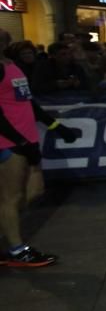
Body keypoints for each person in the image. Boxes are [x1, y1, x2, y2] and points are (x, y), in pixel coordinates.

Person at [0, 30, 80, 266]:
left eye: (5, 38)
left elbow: (28, 102)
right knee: (11, 198)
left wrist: (56, 126)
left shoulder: (11, 64)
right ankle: (17, 250)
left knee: (33, 192)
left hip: (26, 138)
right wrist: (21, 142)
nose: (3, 41)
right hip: (9, 141)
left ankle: (9, 233)